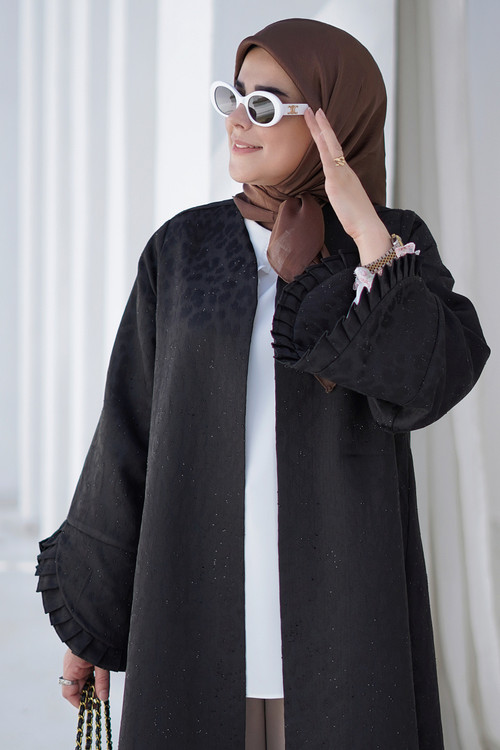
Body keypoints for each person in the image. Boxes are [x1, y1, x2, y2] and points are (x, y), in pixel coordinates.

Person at [36, 18, 489, 750]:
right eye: (234, 96)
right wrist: (91, 624)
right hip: (195, 601)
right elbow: (129, 433)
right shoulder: (184, 249)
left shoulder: (391, 245)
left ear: (332, 121)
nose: (238, 120)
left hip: (344, 608)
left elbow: (431, 382)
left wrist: (368, 240)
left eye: (267, 104)